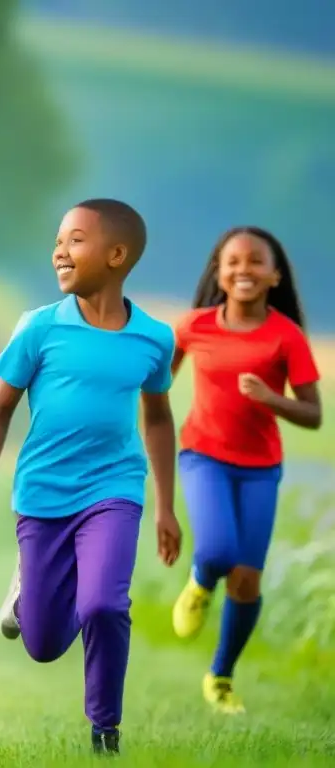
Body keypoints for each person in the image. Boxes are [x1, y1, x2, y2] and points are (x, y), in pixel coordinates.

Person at [0, 199, 182, 755]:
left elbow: (156, 418)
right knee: (45, 644)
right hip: (43, 494)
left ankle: (106, 729)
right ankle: (31, 589)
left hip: (115, 490)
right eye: (58, 239)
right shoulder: (39, 328)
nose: (60, 249)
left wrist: (167, 507)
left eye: (75, 239)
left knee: (104, 603)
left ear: (117, 255)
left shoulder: (154, 339)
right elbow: (0, 411)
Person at [169, 226, 321, 714]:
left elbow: (314, 414)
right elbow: (153, 382)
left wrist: (270, 399)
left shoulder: (287, 336)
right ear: (219, 271)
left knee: (247, 581)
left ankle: (221, 676)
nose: (244, 270)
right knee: (217, 552)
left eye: (256, 262)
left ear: (275, 275)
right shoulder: (192, 326)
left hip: (260, 469)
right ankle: (198, 583)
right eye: (233, 261)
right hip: (203, 455)